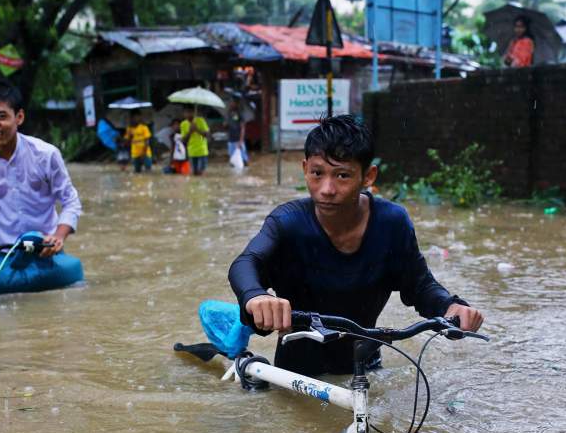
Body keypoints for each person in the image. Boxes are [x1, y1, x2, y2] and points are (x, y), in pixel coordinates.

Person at [228, 115, 483, 376]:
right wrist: (256, 296)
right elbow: (246, 262)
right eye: (317, 173)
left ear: (368, 176)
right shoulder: (287, 222)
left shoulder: (391, 223)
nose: (327, 189)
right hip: (295, 374)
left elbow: (420, 285)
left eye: (342, 175)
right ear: (305, 169)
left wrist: (450, 307)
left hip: (366, 366)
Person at [0, 80, 83, 294]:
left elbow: (71, 202)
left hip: (47, 253)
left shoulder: (46, 154)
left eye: (1, 116)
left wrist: (58, 237)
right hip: (4, 256)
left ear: (19, 117)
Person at [180, 106, 210, 176]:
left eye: (190, 112)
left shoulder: (201, 120)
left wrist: (197, 129)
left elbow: (207, 135)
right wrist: (190, 132)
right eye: (186, 112)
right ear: (183, 114)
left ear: (194, 113)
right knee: (194, 173)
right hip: (191, 151)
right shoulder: (183, 124)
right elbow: (184, 140)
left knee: (201, 172)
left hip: (202, 150)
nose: (188, 114)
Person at [225, 98, 249, 167]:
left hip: (238, 140)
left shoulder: (240, 114)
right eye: (230, 102)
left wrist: (240, 141)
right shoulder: (229, 114)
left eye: (232, 102)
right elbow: (227, 127)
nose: (230, 104)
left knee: (244, 160)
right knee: (232, 161)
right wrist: (225, 125)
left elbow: (243, 128)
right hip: (230, 140)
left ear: (236, 104)